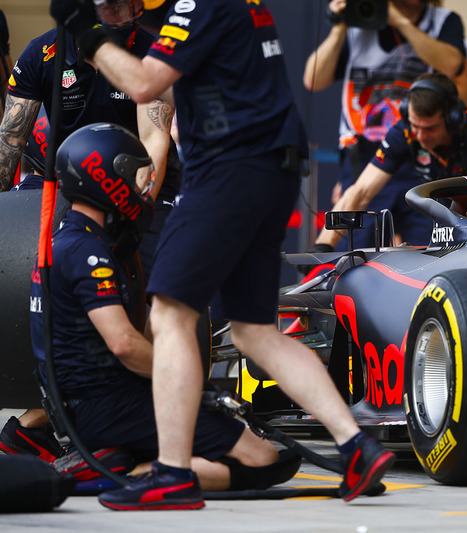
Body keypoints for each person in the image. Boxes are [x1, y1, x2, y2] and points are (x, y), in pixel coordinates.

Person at [49, 0, 395, 510]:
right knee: (253, 332)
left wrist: (85, 30)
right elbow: (174, 83)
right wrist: (120, 32)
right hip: (270, 170)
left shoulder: (197, 4)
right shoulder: (235, 5)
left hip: (229, 168)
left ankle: (171, 474)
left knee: (169, 313)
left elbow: (144, 85)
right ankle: (356, 447)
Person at [31, 123, 300, 504]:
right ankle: (137, 473)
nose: (142, 190)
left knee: (234, 440)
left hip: (88, 406)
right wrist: (190, 382)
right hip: (108, 406)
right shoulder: (89, 255)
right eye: (133, 177)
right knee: (263, 458)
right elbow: (124, 344)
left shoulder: (67, 242)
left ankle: (122, 462)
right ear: (104, 178)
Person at [0, 1, 179, 458]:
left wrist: (136, 210)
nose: (129, 14)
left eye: (134, 4)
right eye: (115, 6)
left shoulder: (152, 52)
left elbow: (155, 139)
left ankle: (155, 409)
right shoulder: (42, 54)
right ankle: (52, 422)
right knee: (62, 303)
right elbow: (9, 142)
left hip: (141, 187)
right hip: (66, 189)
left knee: (162, 297)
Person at [304, 0, 467, 247]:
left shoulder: (443, 21)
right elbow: (313, 80)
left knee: (430, 251)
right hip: (366, 156)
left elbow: (452, 65)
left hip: (423, 152)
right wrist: (340, 26)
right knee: (358, 253)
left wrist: (399, 21)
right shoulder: (358, 22)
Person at [314, 72, 467, 250]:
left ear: (452, 119)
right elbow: (361, 191)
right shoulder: (405, 132)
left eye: (430, 128)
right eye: (415, 125)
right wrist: (322, 247)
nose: (421, 136)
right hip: (465, 212)